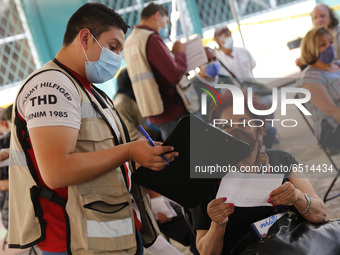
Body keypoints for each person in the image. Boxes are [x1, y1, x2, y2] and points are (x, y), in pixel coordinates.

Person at [8, 3, 180, 255]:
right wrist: (129, 152)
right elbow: (56, 171)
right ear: (85, 37)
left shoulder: (89, 91)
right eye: (112, 47)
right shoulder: (51, 85)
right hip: (75, 241)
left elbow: (102, 154)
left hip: (107, 234)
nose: (116, 57)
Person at [190, 91, 327, 255]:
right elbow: (206, 252)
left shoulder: (281, 160)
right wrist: (217, 224)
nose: (235, 130)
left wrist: (296, 196)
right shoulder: (205, 177)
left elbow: (320, 214)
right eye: (225, 126)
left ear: (260, 128)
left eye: (243, 123)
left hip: (298, 244)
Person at [114, 68, 199, 254]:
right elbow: (130, 134)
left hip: (147, 155)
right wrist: (149, 145)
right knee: (174, 218)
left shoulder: (133, 99)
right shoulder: (121, 102)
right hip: (142, 158)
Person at [124, 2, 188, 141]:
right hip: (170, 108)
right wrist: (180, 53)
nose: (165, 26)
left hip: (152, 109)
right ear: (157, 16)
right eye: (165, 21)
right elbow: (174, 75)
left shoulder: (129, 41)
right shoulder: (150, 38)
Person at [297, 26, 340, 152]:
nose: (329, 47)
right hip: (334, 129)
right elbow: (332, 111)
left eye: (330, 42)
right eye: (323, 44)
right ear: (311, 49)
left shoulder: (337, 64)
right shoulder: (310, 78)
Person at [113, 68, 161, 142]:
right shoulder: (121, 103)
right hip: (143, 143)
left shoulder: (135, 95)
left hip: (153, 136)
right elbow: (131, 132)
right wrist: (150, 144)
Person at [296, 3, 340, 68]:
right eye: (315, 17)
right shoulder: (310, 38)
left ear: (331, 18)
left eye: (322, 16)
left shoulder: (338, 34)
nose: (319, 20)